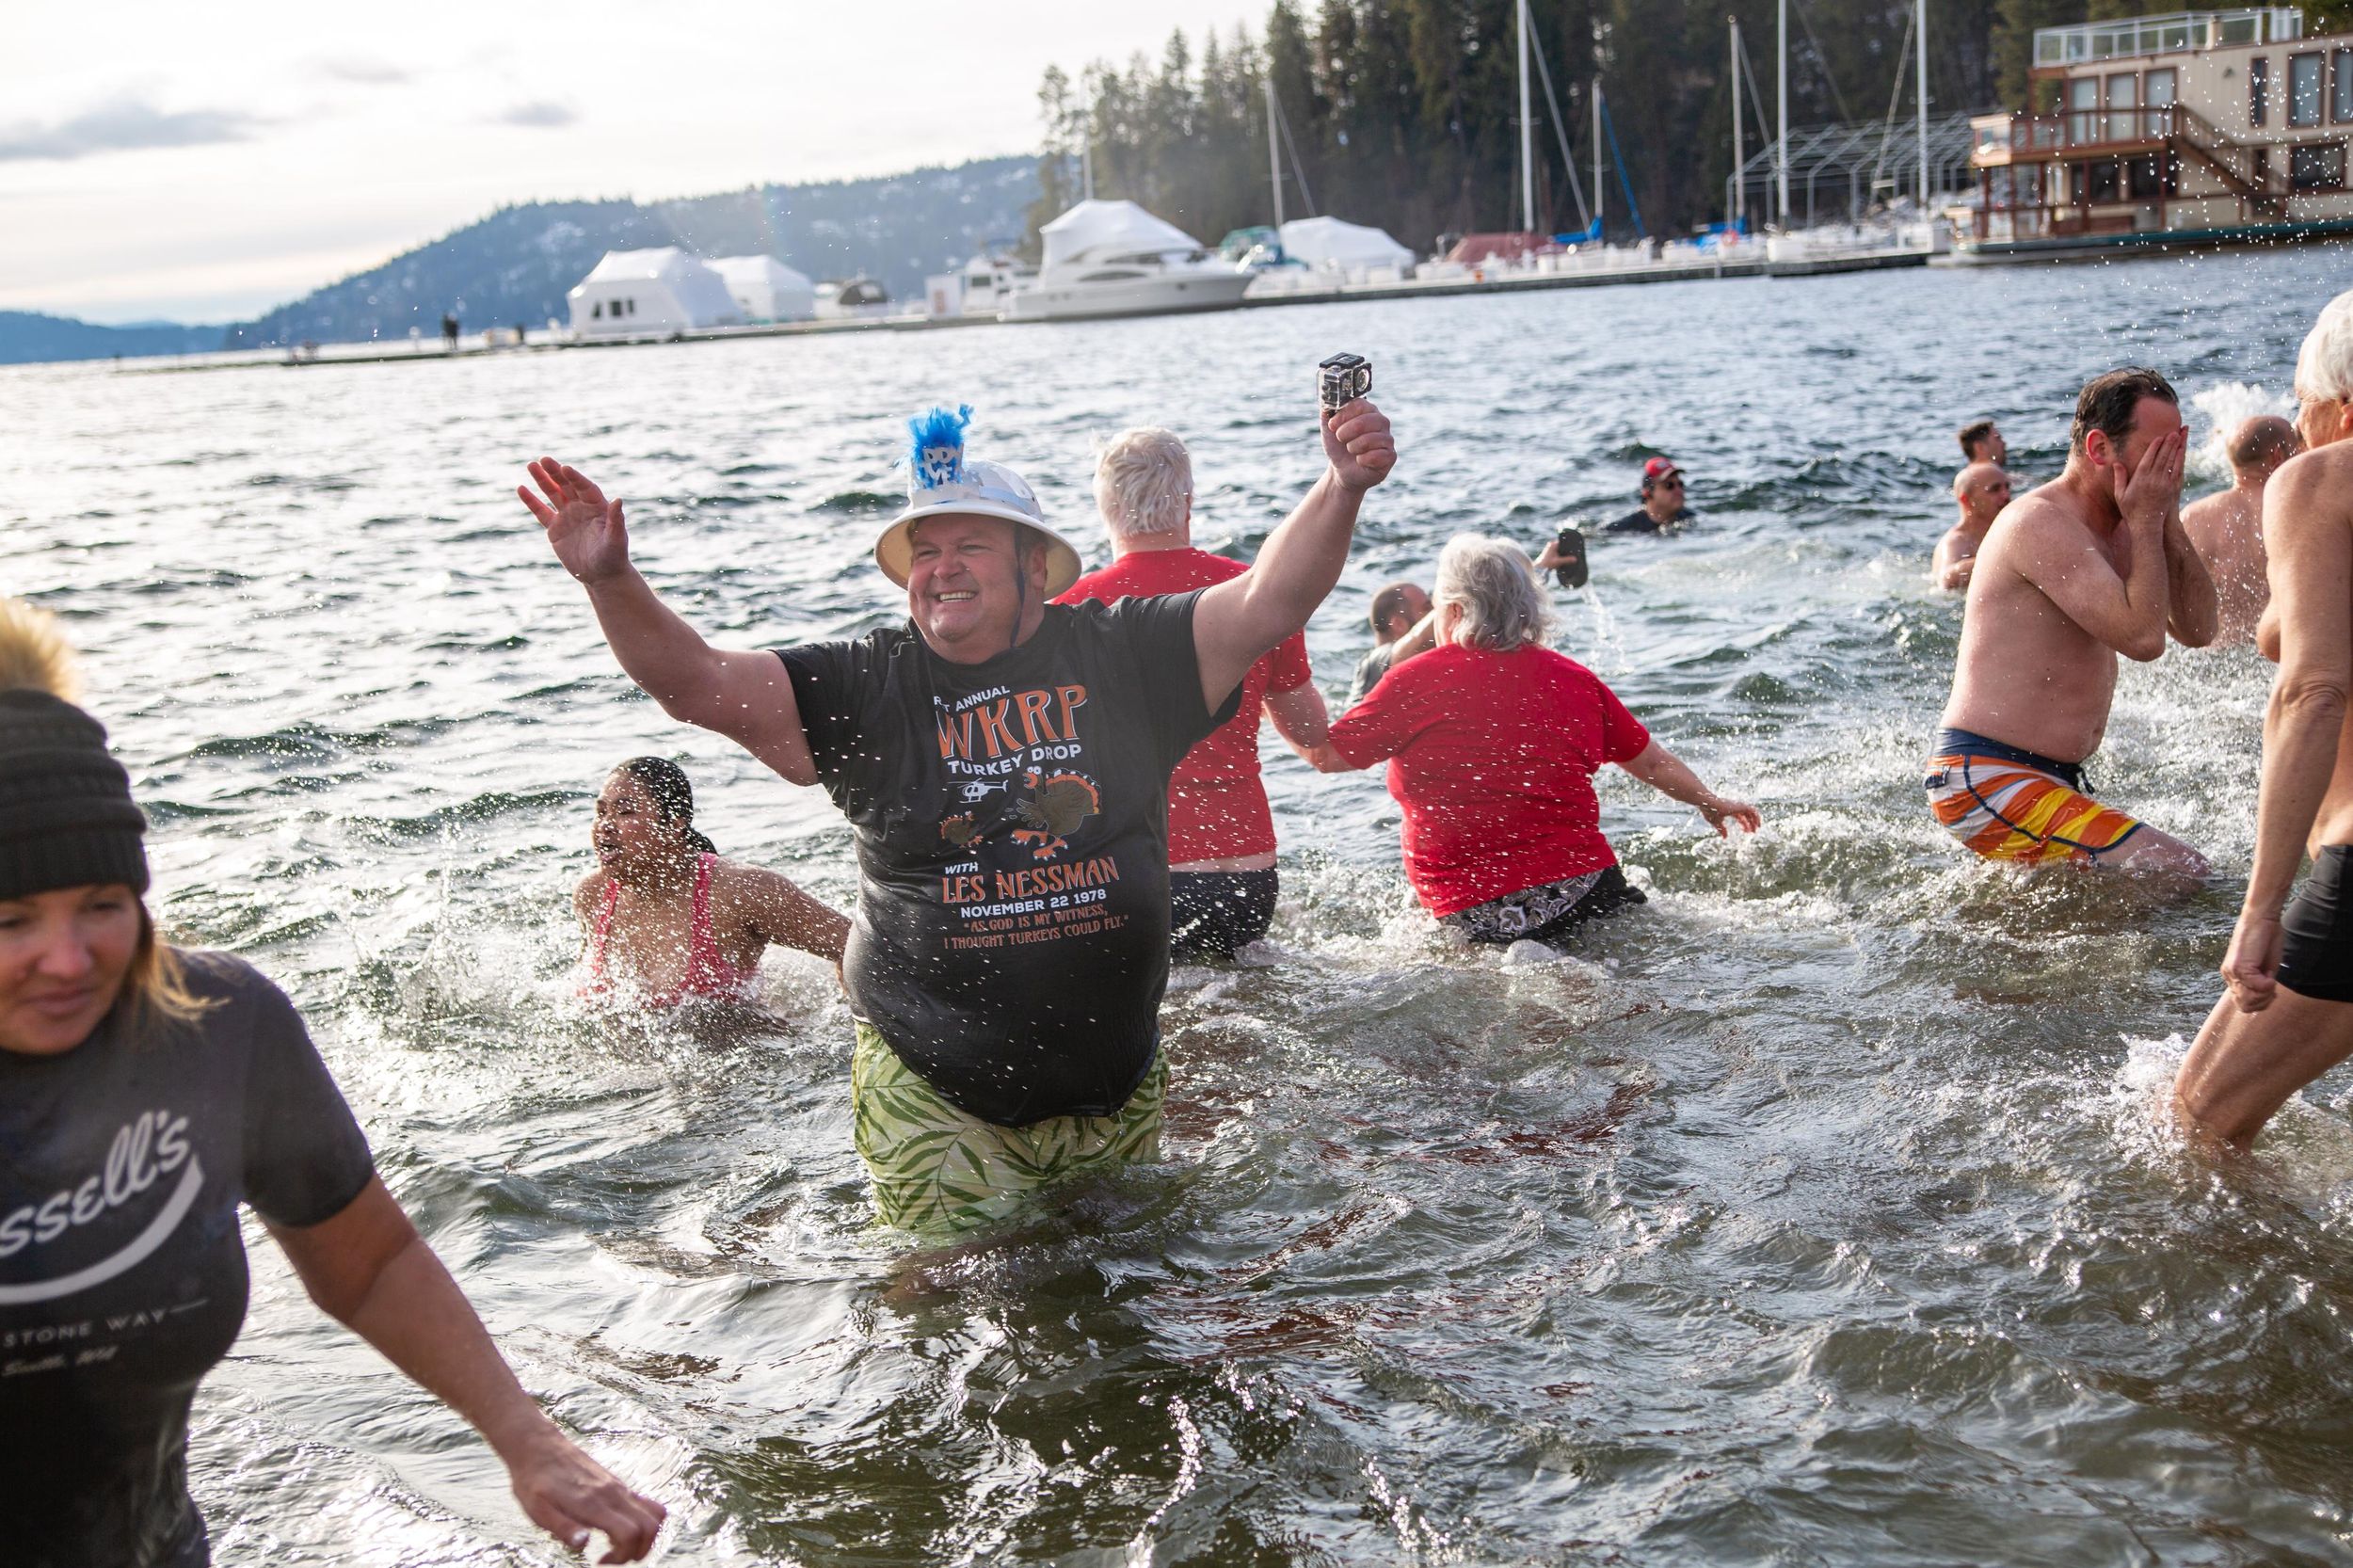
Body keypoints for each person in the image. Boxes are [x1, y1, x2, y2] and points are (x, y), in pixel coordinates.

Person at [519, 394, 1395, 1231]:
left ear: (1034, 567)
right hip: (933, 1083)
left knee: (1120, 1280)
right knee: (948, 1293)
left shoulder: (1122, 649)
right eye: (924, 551)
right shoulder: (864, 684)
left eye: (970, 545)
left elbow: (1270, 600)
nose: (941, 566)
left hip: (1116, 1078)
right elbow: (696, 683)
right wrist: (611, 580)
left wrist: (1342, 484)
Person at [0, 599, 665, 1568]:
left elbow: (369, 1262)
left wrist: (528, 1439)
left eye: (102, 905)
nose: (67, 959)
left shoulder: (216, 1027)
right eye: (12, 920)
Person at [1300, 534, 1760, 949]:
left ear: (1454, 612)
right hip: (1588, 892)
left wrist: (1276, 685)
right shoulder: (1575, 680)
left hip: (1474, 915)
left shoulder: (1411, 682)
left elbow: (1326, 754)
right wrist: (1709, 800)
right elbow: (1654, 763)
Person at [2171, 294, 2353, 1149]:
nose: (2301, 427)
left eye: (2304, 403)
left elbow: (2313, 691)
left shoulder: (2322, 479)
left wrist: (2261, 908)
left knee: (2198, 1122)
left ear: (2342, 407)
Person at [1925, 368, 2216, 872]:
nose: (2167, 467)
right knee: (2179, 872)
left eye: (2175, 450)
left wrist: (2165, 516)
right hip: (1987, 775)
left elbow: (2198, 629)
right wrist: (2149, 520)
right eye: (2156, 451)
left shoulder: (2128, 524)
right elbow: (2143, 640)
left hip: (2046, 776)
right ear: (2099, 448)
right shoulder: (2040, 522)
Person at [1054, 427, 1330, 960]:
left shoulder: (1070, 613)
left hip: (1138, 870)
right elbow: (1310, 732)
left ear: (1105, 508)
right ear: (1187, 502)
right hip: (1246, 864)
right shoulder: (1254, 595)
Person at [576, 756, 848, 1006]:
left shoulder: (740, 891)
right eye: (601, 812)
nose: (605, 825)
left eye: (624, 812)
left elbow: (853, 944)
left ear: (673, 826)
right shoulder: (593, 896)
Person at [2181, 413, 2298, 648]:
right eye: (2297, 446)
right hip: (2281, 651)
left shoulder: (2192, 517)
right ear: (2277, 455)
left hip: (2217, 654)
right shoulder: (2297, 509)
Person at [1934, 461, 2013, 591]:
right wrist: (2003, 559)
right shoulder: (1956, 541)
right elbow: (1947, 579)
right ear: (1966, 499)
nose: (2006, 495)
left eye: (2007, 487)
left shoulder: (2006, 530)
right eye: (1995, 489)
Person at [1349, 580, 1431, 703]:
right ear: (1399, 624)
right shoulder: (1376, 661)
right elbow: (1419, 639)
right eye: (1427, 608)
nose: (1433, 611)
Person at [1603, 457, 1692, 535]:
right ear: (1647, 492)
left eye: (1680, 484)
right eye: (1669, 485)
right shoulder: (1620, 529)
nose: (1678, 490)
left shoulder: (1690, 518)